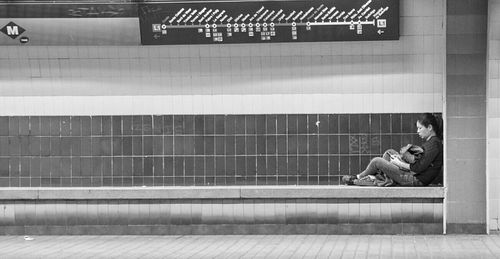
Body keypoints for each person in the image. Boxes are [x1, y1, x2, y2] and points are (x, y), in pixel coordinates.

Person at [344, 113, 443, 186]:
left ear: (429, 127)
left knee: (376, 161)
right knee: (389, 153)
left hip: (415, 179)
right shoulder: (431, 142)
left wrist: (399, 163)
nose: (417, 131)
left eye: (420, 128)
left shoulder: (434, 144)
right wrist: (400, 159)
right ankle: (385, 179)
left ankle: (358, 177)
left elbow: (418, 168)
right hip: (413, 174)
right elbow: (419, 163)